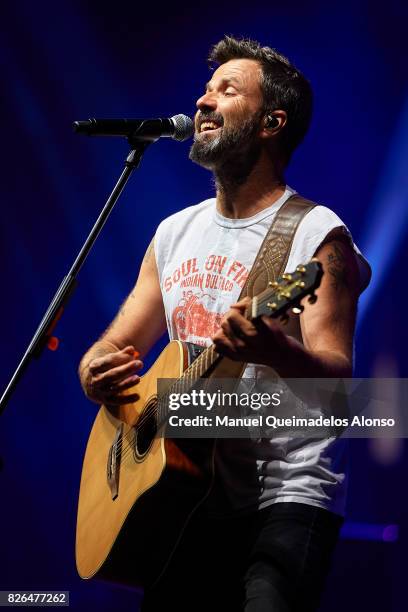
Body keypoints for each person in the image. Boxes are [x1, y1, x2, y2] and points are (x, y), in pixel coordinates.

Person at [79, 36, 371, 611]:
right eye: (207, 89)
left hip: (285, 494)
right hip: (189, 494)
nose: (204, 101)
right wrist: (94, 368)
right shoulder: (173, 233)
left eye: (227, 90)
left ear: (271, 122)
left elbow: (339, 385)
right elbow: (118, 341)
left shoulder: (319, 237)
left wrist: (275, 350)